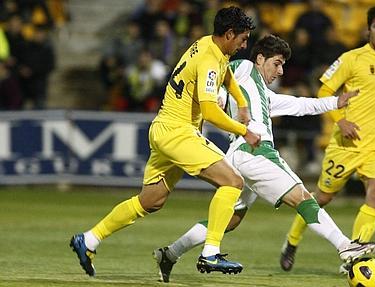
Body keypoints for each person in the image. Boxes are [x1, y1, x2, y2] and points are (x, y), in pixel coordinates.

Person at [152, 34, 375, 283]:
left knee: (228, 221)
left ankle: (170, 253)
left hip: (240, 157)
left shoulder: (263, 94)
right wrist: (219, 97)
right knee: (302, 197)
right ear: (260, 58)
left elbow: (299, 105)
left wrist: (335, 102)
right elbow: (222, 79)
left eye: (283, 64)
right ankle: (345, 246)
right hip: (256, 152)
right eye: (277, 63)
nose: (281, 70)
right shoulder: (244, 67)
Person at [69, 6, 261, 277]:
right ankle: (210, 253)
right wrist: (244, 130)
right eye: (242, 39)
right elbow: (210, 111)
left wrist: (241, 102)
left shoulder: (207, 45)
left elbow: (225, 72)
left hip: (163, 128)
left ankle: (89, 239)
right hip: (178, 132)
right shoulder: (209, 58)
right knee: (233, 182)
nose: (244, 45)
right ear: (229, 34)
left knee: (151, 200)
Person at [280, 4, 375, 274]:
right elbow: (324, 88)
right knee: (322, 198)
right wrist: (341, 120)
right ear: (368, 29)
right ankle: (292, 241)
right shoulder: (351, 58)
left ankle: (357, 253)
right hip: (347, 144)